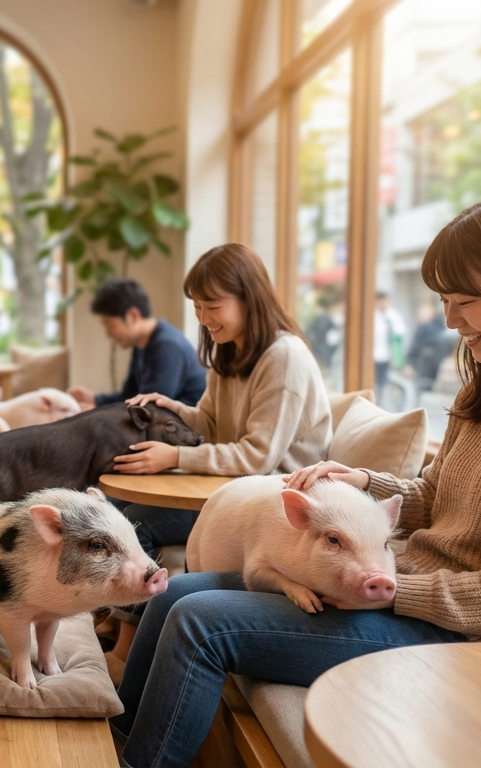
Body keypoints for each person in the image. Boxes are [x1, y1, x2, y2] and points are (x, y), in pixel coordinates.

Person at [110, 193, 481, 767]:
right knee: (178, 593)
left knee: (199, 623)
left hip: (465, 633)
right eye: (444, 300)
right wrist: (365, 483)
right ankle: (113, 743)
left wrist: (397, 592)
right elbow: (437, 498)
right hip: (399, 587)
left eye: (466, 301)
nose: (448, 320)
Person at [107, 243, 331, 656]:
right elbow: (210, 425)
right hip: (235, 492)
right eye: (197, 306)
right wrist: (169, 409)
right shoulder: (230, 350)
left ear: (250, 298)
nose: (203, 318)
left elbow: (256, 456)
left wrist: (175, 457)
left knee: (139, 523)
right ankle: (124, 632)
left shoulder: (284, 357)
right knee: (123, 511)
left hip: (275, 501)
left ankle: (126, 647)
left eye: (212, 306)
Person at [68, 278, 206, 411]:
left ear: (132, 316)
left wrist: (96, 412)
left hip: (187, 430)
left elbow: (149, 407)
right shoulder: (142, 344)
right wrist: (95, 399)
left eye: (110, 325)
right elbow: (131, 396)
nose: (108, 333)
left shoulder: (168, 346)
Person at [373, 290, 407, 407]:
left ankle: (381, 403)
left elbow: (400, 334)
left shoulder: (392, 315)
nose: (383, 304)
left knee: (383, 383)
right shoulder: (372, 316)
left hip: (387, 356)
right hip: (373, 356)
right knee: (374, 383)